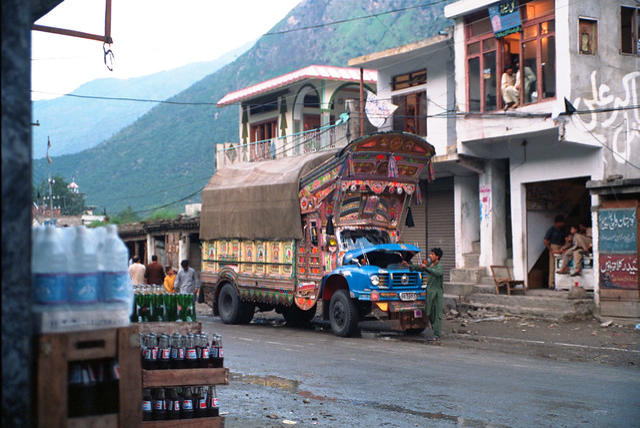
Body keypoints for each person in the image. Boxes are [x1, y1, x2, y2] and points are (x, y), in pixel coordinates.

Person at [403, 248, 444, 343]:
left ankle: (437, 335)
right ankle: (435, 331)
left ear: (437, 257)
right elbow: (420, 268)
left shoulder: (439, 266)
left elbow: (438, 273)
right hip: (429, 292)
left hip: (437, 293)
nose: (430, 256)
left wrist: (427, 268)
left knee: (437, 314)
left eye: (432, 254)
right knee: (429, 313)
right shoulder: (430, 264)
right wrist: (409, 265)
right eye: (430, 254)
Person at [544, 215, 567, 288]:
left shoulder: (563, 229)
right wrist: (551, 250)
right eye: (562, 223)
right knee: (552, 266)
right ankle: (551, 284)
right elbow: (545, 241)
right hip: (554, 247)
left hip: (561, 247)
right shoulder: (552, 229)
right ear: (558, 223)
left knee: (561, 264)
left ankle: (560, 283)